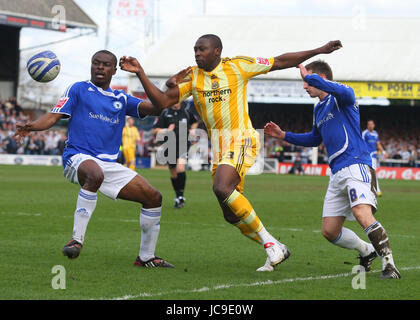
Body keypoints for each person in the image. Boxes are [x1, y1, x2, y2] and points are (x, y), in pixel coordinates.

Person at [120, 34, 343, 271]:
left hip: (242, 139)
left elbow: (279, 61)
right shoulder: (192, 77)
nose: (197, 53)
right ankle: (276, 245)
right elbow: (162, 103)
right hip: (220, 148)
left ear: (217, 51)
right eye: (195, 49)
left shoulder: (237, 66)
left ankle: (270, 245)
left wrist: (319, 50)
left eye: (202, 49)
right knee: (229, 213)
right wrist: (141, 74)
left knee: (221, 187)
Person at [14, 50, 174, 268]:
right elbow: (53, 116)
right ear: (91, 65)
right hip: (77, 157)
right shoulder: (79, 89)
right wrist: (33, 126)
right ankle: (76, 240)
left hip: (109, 165)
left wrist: (140, 73)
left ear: (114, 70)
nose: (100, 67)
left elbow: (158, 107)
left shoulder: (121, 98)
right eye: (96, 63)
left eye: (106, 64)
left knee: (154, 198)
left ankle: (146, 257)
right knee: (94, 173)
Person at [264, 60, 401, 279]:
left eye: (308, 82)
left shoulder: (343, 96)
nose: (305, 86)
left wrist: (307, 75)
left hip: (356, 165)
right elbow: (315, 138)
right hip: (337, 172)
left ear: (321, 79)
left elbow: (335, 88)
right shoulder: (318, 108)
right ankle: (367, 251)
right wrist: (284, 136)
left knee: (361, 213)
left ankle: (390, 266)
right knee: (329, 231)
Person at [152, 101, 199, 208]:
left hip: (183, 145)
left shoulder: (186, 112)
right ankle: (178, 196)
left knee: (180, 168)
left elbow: (195, 121)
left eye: (177, 100)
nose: (175, 103)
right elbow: (155, 130)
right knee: (173, 173)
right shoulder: (165, 113)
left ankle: (181, 197)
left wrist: (193, 129)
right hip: (169, 145)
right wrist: (166, 130)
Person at [362, 120, 384, 196]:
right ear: (367, 125)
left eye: (371, 124)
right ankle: (370, 189)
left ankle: (376, 190)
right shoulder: (364, 133)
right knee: (367, 172)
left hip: (373, 156)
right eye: (369, 124)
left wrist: (383, 152)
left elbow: (378, 144)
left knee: (373, 172)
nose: (370, 126)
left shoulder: (375, 134)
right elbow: (361, 144)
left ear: (374, 125)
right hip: (366, 156)